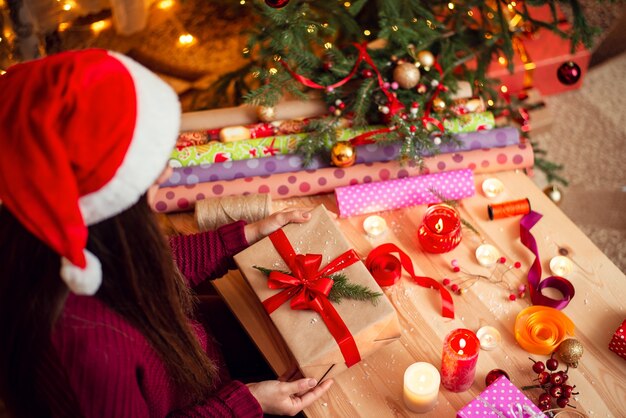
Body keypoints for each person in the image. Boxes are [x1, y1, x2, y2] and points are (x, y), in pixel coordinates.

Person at [0, 49, 333, 417]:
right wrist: (247, 404)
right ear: (108, 196)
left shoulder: (60, 237)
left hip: (200, 380)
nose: (165, 174)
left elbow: (146, 266)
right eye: (150, 165)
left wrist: (243, 235)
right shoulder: (89, 349)